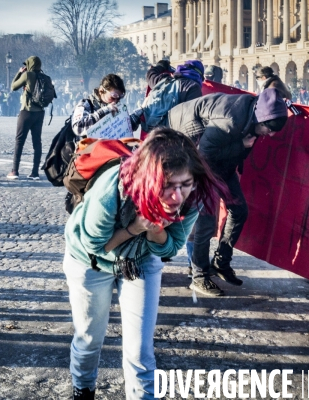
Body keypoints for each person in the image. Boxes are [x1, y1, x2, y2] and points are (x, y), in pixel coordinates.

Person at [64, 127, 231, 399]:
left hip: (141, 261)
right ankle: (83, 390)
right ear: (150, 179)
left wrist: (155, 230)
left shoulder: (191, 197)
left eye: (184, 184)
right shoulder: (111, 188)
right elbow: (95, 246)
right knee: (89, 339)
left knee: (140, 350)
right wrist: (135, 228)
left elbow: (173, 246)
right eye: (168, 186)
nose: (177, 196)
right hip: (89, 260)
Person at [168, 88, 289, 296]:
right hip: (193, 150)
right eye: (268, 130)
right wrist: (239, 146)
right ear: (260, 119)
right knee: (206, 220)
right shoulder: (229, 120)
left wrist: (238, 157)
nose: (271, 135)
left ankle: (221, 262)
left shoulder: (259, 114)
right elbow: (204, 154)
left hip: (221, 160)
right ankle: (198, 276)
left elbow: (239, 146)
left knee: (239, 210)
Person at [7, 56, 46, 180]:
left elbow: (13, 87)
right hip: (40, 113)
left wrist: (19, 73)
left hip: (27, 111)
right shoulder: (45, 77)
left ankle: (14, 171)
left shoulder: (28, 74)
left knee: (19, 141)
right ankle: (35, 172)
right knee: (37, 142)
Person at [71, 74, 142, 138]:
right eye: (113, 97)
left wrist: (139, 114)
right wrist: (104, 111)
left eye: (119, 98)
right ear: (101, 90)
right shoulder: (86, 104)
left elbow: (124, 128)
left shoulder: (116, 106)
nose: (115, 101)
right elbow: (78, 127)